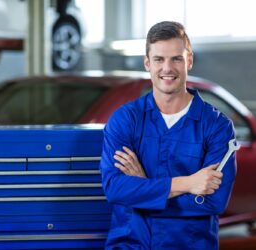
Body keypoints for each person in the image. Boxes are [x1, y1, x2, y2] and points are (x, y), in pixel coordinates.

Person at [100, 21, 237, 249]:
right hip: (130, 243)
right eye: (159, 59)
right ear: (147, 63)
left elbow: (213, 201)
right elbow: (115, 188)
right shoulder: (126, 120)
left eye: (176, 58)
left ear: (189, 61)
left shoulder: (217, 126)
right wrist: (187, 184)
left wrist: (144, 187)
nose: (167, 68)